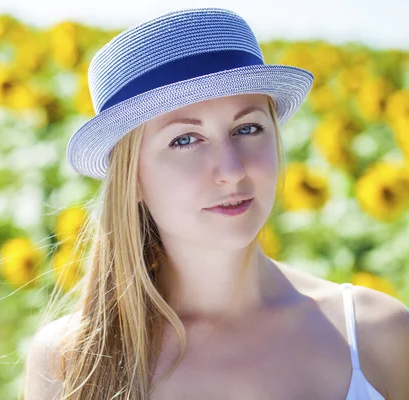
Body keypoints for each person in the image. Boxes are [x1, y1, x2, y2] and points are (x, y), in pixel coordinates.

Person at [23, 8, 409, 400]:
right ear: (131, 180)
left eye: (248, 128)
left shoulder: (377, 334)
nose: (232, 170)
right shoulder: (72, 364)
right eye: (185, 139)